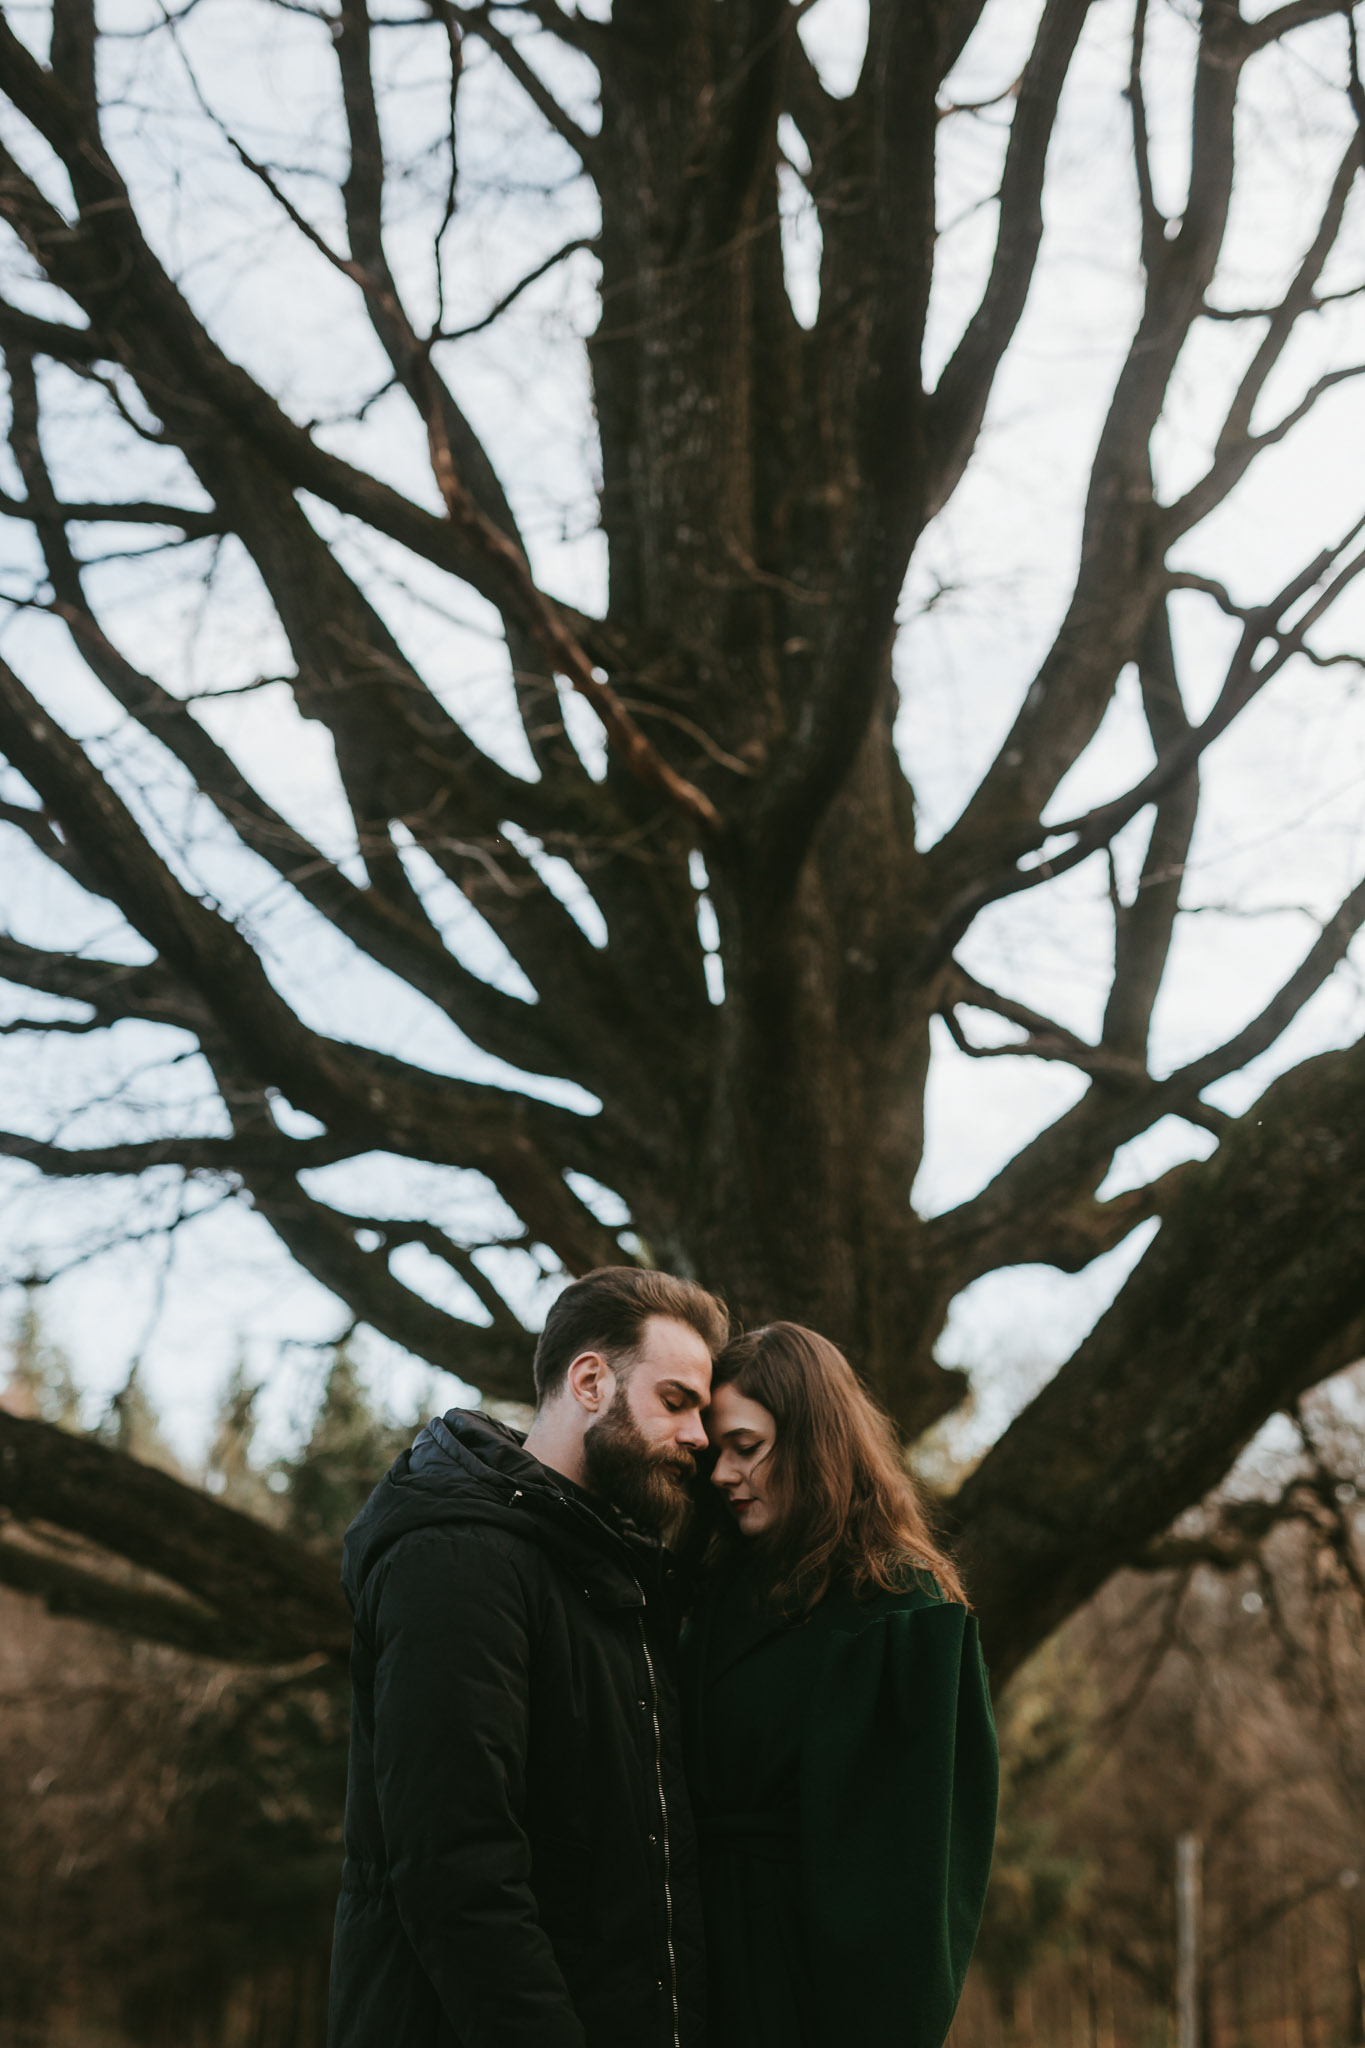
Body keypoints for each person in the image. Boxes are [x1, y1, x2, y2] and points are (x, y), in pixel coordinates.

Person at [327, 1266, 729, 2048]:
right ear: (589, 1381)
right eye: (675, 1401)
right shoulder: (457, 1559)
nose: (698, 1438)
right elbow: (458, 1874)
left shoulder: (609, 1572)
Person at [679, 1321, 999, 2048]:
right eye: (717, 1451)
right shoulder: (712, 1589)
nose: (723, 1474)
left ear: (814, 1439)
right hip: (689, 1972)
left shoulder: (898, 1612)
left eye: (747, 1448)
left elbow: (908, 1890)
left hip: (804, 1996)